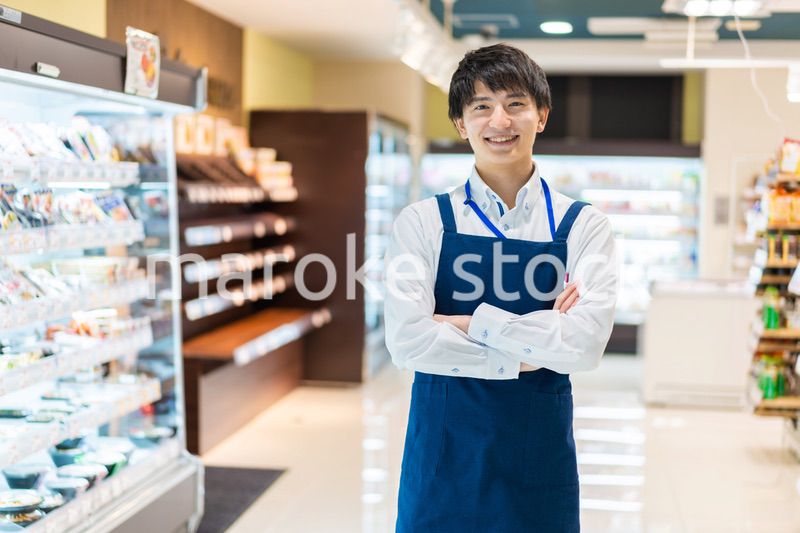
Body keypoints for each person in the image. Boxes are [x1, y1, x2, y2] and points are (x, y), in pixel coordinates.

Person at [384, 44, 618, 532]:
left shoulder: (584, 227)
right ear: (460, 124)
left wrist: (470, 322)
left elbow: (583, 346)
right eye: (481, 107)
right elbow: (407, 341)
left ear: (542, 115)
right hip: (443, 455)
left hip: (538, 455)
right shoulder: (424, 223)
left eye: (515, 104)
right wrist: (533, 345)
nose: (500, 121)